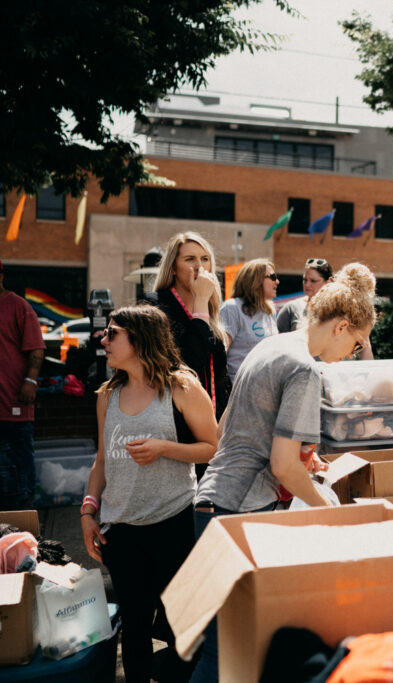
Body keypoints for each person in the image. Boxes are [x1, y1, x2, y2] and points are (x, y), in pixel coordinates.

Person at [188, 262, 377, 683]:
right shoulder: (305, 368)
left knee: (225, 648)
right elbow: (282, 465)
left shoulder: (269, 346)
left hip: (213, 502)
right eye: (356, 343)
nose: (350, 354)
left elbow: (228, 432)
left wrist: (298, 466)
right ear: (342, 326)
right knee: (230, 652)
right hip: (238, 512)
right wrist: (328, 507)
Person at [80, 306, 217, 683]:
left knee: (181, 627)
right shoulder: (107, 395)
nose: (103, 340)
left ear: (139, 339)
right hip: (120, 529)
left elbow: (213, 447)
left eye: (112, 334)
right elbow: (103, 460)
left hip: (173, 524)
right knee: (135, 627)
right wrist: (88, 512)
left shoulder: (181, 387)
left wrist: (164, 448)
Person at [146, 232, 230, 420]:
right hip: (175, 418)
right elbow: (192, 359)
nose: (200, 266)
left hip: (213, 421)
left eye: (205, 259)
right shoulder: (156, 305)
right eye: (190, 259)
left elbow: (220, 374)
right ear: (173, 268)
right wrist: (200, 300)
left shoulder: (211, 307)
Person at [0, 258, 44, 510]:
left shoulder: (18, 306)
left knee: (19, 474)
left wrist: (30, 380)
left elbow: (36, 348)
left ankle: (25, 526)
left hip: (14, 406)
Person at [220, 258, 279, 382]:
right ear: (255, 280)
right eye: (272, 277)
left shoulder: (270, 311)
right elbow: (220, 352)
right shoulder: (232, 308)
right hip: (239, 389)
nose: (277, 281)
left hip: (266, 389)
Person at [276, 257, 332, 332]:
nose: (307, 285)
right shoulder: (291, 308)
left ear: (329, 282)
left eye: (313, 281)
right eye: (305, 280)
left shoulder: (336, 310)